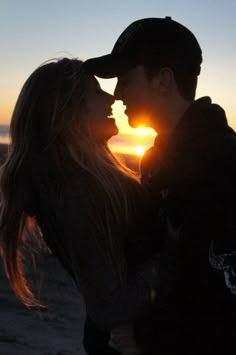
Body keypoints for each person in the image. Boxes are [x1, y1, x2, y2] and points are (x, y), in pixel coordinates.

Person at [0, 58, 179, 355]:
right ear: (67, 111)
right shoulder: (73, 195)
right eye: (96, 92)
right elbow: (110, 308)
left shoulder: (88, 181)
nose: (111, 98)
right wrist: (173, 253)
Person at [85, 16, 236, 354]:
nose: (117, 93)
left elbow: (219, 296)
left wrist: (147, 342)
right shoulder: (155, 159)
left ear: (164, 80)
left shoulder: (223, 164)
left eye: (126, 79)